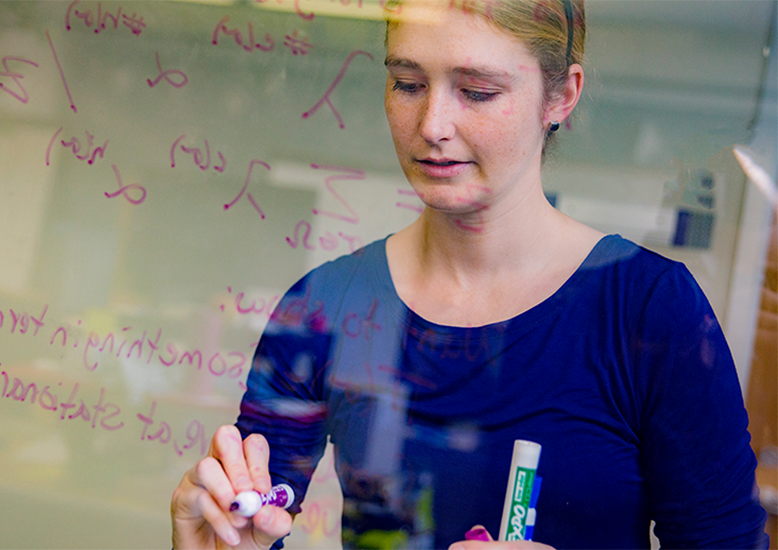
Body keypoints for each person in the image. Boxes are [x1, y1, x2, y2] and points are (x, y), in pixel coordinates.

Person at [171, 0, 770, 548]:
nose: (432, 124)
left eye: (478, 92)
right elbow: (251, 517)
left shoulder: (650, 312)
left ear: (561, 97)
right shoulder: (326, 306)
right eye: (407, 83)